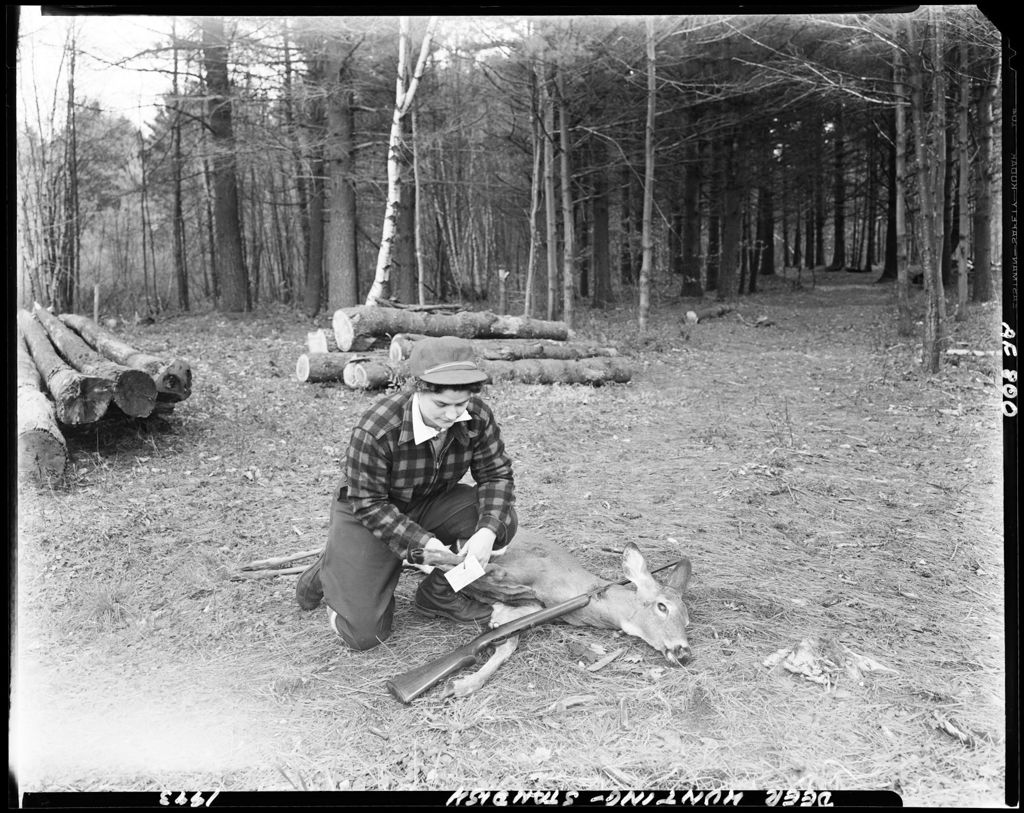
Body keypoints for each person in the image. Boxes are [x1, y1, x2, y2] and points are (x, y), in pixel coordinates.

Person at [295, 336, 518, 650]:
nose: (453, 414)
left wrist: (485, 531)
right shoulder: (378, 427)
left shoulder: (477, 416)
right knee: (364, 635)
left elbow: (497, 476)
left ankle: (439, 593)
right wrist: (419, 543)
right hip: (368, 512)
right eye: (441, 404)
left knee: (502, 522)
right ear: (418, 389)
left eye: (461, 403)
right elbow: (368, 503)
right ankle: (332, 566)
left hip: (430, 501)